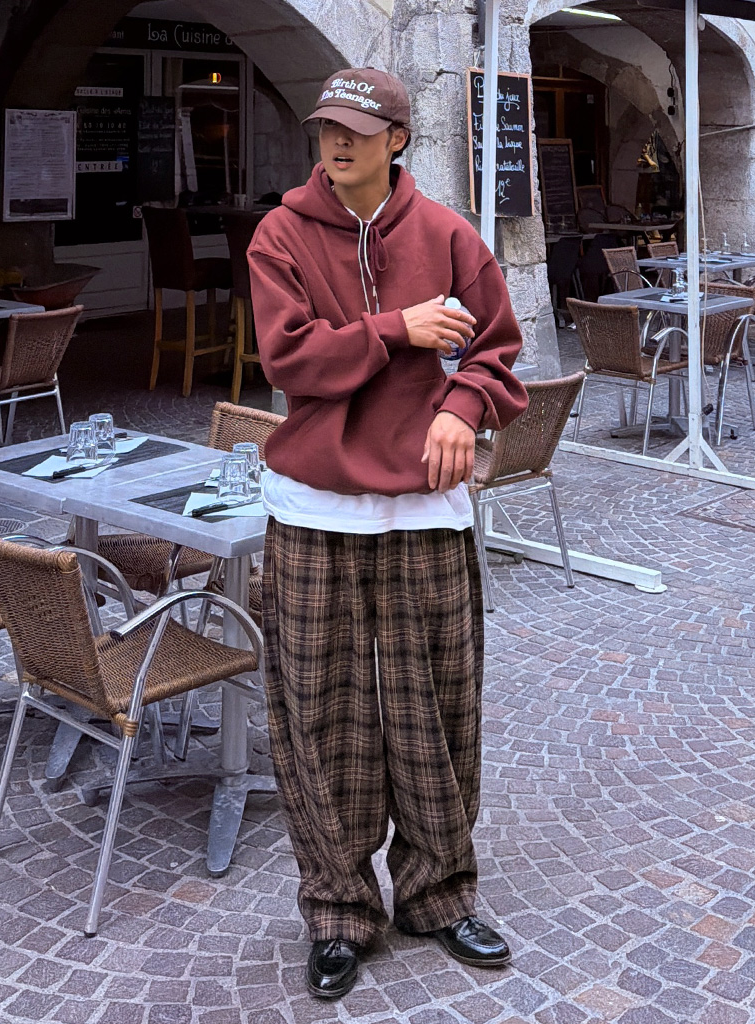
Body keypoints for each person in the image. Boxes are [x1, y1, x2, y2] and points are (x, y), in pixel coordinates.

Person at [247, 67, 528, 1000]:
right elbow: (290, 359)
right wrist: (396, 329)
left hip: (425, 510)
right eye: (328, 127)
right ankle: (338, 910)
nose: (337, 143)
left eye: (358, 132)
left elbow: (498, 348)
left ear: (397, 140)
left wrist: (462, 404)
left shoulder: (449, 236)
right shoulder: (281, 234)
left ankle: (439, 894)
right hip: (313, 508)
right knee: (318, 712)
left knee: (437, 708)